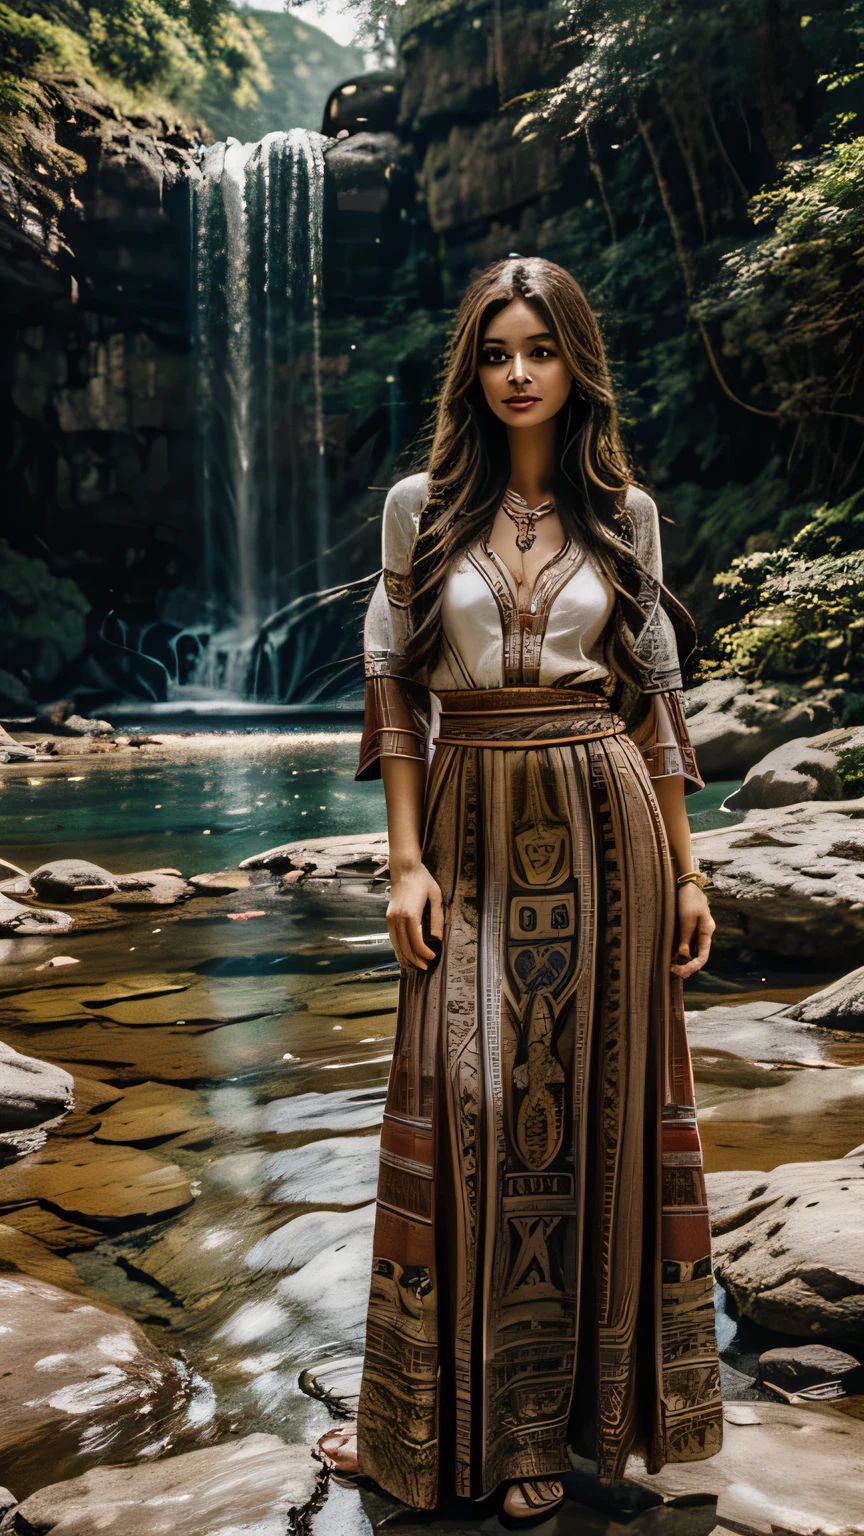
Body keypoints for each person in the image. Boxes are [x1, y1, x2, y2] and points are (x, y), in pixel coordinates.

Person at [316, 256, 722, 1526]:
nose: (517, 374)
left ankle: (574, 1423)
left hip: (612, 830)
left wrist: (694, 864)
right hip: (471, 818)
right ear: (471, 370)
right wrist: (404, 859)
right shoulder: (419, 509)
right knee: (472, 1091)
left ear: (575, 362)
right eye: (495, 353)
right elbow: (395, 686)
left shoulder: (628, 515)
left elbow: (652, 698)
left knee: (597, 1107)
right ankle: (435, 1417)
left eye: (539, 349)